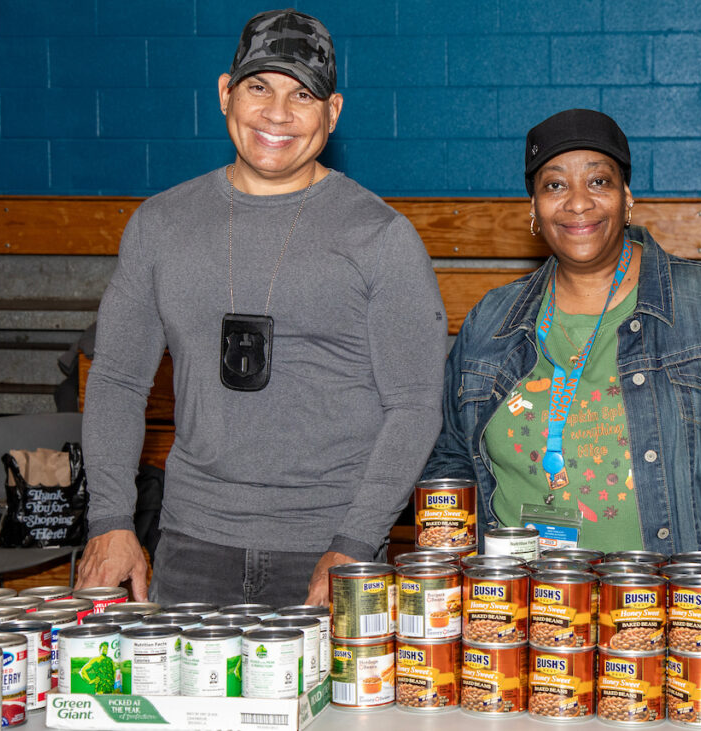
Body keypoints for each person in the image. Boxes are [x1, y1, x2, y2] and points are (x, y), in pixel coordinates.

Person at [76, 9, 446, 607]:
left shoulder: (380, 236)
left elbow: (415, 405)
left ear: (332, 113)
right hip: (191, 545)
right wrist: (111, 519)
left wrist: (356, 542)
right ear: (226, 93)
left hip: (327, 551)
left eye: (303, 95)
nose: (278, 114)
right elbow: (117, 380)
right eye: (259, 87)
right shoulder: (160, 224)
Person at [422, 109, 701, 555]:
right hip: (523, 612)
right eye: (555, 185)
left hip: (681, 609)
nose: (578, 202)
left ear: (627, 197)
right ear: (534, 208)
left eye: (598, 181)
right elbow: (450, 462)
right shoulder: (492, 322)